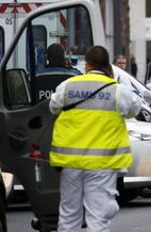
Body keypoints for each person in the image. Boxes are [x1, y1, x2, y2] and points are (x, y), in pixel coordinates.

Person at [49, 45, 142, 231]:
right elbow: (135, 108)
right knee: (97, 217)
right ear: (107, 65)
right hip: (102, 164)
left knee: (69, 215)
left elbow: (53, 107)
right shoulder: (117, 90)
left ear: (87, 65)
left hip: (70, 162)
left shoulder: (69, 86)